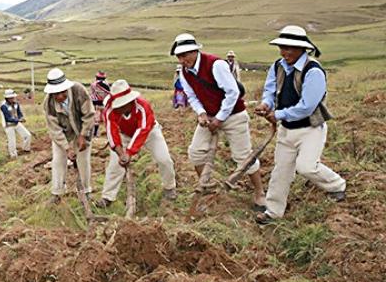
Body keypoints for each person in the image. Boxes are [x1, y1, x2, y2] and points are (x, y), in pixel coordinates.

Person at [253, 26, 346, 224]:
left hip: (310, 128)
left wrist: (277, 114)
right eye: (282, 47)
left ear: (302, 49)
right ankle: (273, 211)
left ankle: (337, 185)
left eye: (290, 48)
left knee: (307, 167)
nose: (285, 52)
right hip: (287, 129)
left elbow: (307, 106)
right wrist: (265, 104)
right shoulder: (278, 66)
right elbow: (270, 90)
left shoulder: (314, 71)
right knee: (281, 170)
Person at [170, 33, 266, 211]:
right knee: (196, 152)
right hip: (210, 117)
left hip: (234, 115)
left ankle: (259, 192)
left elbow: (232, 93)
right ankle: (206, 189)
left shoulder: (216, 65)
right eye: (179, 56)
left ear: (195, 51)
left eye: (185, 55)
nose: (182, 60)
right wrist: (201, 113)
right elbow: (191, 95)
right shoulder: (184, 72)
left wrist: (220, 118)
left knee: (243, 156)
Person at [95, 80, 177, 208]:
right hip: (123, 135)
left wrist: (129, 152)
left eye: (123, 105)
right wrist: (121, 152)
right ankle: (108, 197)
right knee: (114, 165)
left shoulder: (143, 106)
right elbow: (112, 132)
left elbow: (143, 130)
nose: (120, 108)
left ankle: (170, 187)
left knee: (164, 159)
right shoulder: (109, 110)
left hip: (150, 132)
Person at [43, 68, 95, 204]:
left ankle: (86, 191)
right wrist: (67, 148)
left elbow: (89, 115)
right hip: (63, 135)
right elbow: (54, 130)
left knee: (83, 161)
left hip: (82, 130)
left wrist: (83, 135)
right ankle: (57, 192)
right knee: (58, 161)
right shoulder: (48, 104)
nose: (60, 96)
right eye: (56, 94)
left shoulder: (79, 91)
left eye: (62, 92)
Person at [0, 89, 32, 158]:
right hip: (8, 125)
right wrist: (19, 120)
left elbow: (19, 113)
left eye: (13, 97)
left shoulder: (16, 104)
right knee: (12, 141)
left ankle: (26, 149)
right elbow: (8, 118)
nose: (12, 99)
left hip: (17, 123)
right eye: (11, 98)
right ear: (7, 98)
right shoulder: (3, 106)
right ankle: (13, 155)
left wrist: (21, 117)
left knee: (27, 135)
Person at [89, 71, 111, 136]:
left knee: (96, 118)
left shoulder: (93, 84)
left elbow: (92, 94)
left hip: (96, 103)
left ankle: (95, 133)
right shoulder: (107, 84)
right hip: (104, 103)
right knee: (105, 117)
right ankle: (108, 132)